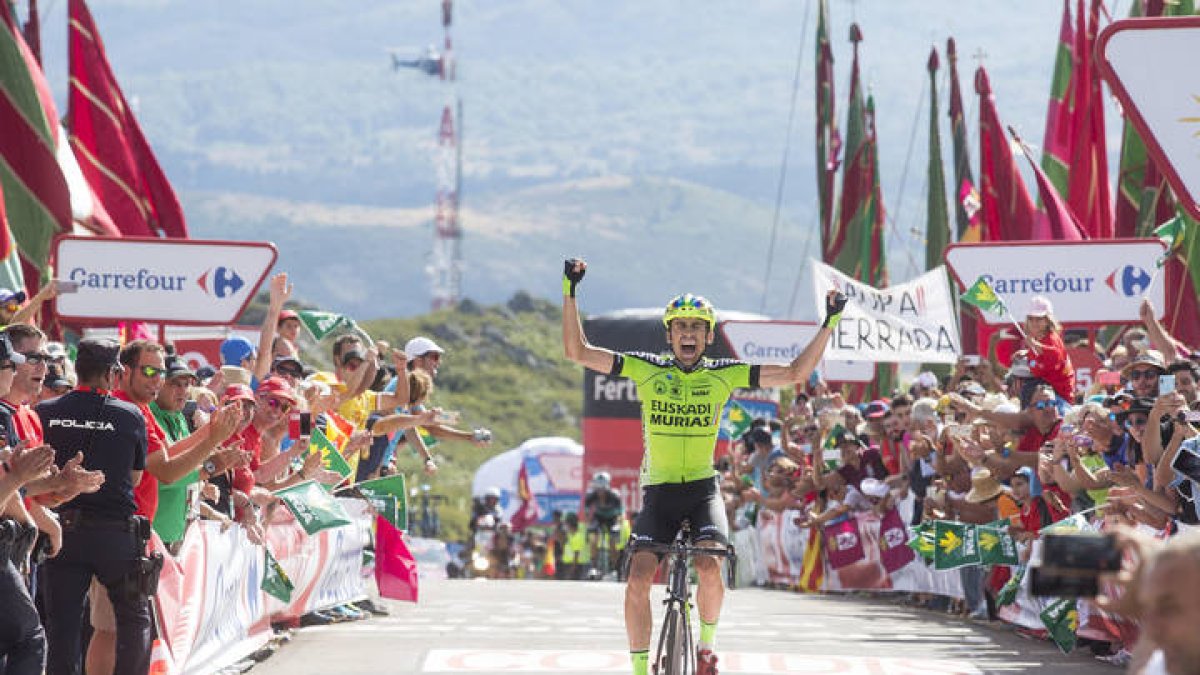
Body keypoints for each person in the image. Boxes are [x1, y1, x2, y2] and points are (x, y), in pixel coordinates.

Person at [561, 257, 845, 675]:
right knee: (638, 580)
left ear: (708, 336)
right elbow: (577, 351)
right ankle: (640, 670)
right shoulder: (648, 368)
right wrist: (570, 292)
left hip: (702, 491)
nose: (688, 333)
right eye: (680, 327)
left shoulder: (723, 374)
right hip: (659, 493)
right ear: (670, 335)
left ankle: (707, 649)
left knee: (709, 564)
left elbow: (794, 372)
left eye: (696, 327)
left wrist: (830, 321)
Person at [39, 339, 155, 675]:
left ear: (76, 370)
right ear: (113, 373)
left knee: (61, 625)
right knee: (134, 618)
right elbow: (134, 478)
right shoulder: (130, 415)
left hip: (62, 530)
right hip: (115, 534)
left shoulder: (46, 411)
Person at [1019, 296, 1075, 402]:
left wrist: (1035, 346)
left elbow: (1055, 356)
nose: (1034, 323)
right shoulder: (1037, 339)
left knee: (1028, 389)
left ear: (1048, 320)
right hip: (1047, 388)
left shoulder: (1052, 338)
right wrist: (1027, 352)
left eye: (1039, 319)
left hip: (1059, 394)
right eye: (1031, 319)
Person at [583, 471, 624, 574]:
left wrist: (618, 525)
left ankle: (615, 568)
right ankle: (593, 566)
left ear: (607, 486)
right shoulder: (590, 495)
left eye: (603, 488)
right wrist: (589, 525)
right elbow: (587, 513)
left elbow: (620, 514)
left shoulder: (614, 496)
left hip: (612, 519)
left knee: (612, 542)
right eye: (598, 488)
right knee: (594, 539)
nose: (600, 491)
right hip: (599, 518)